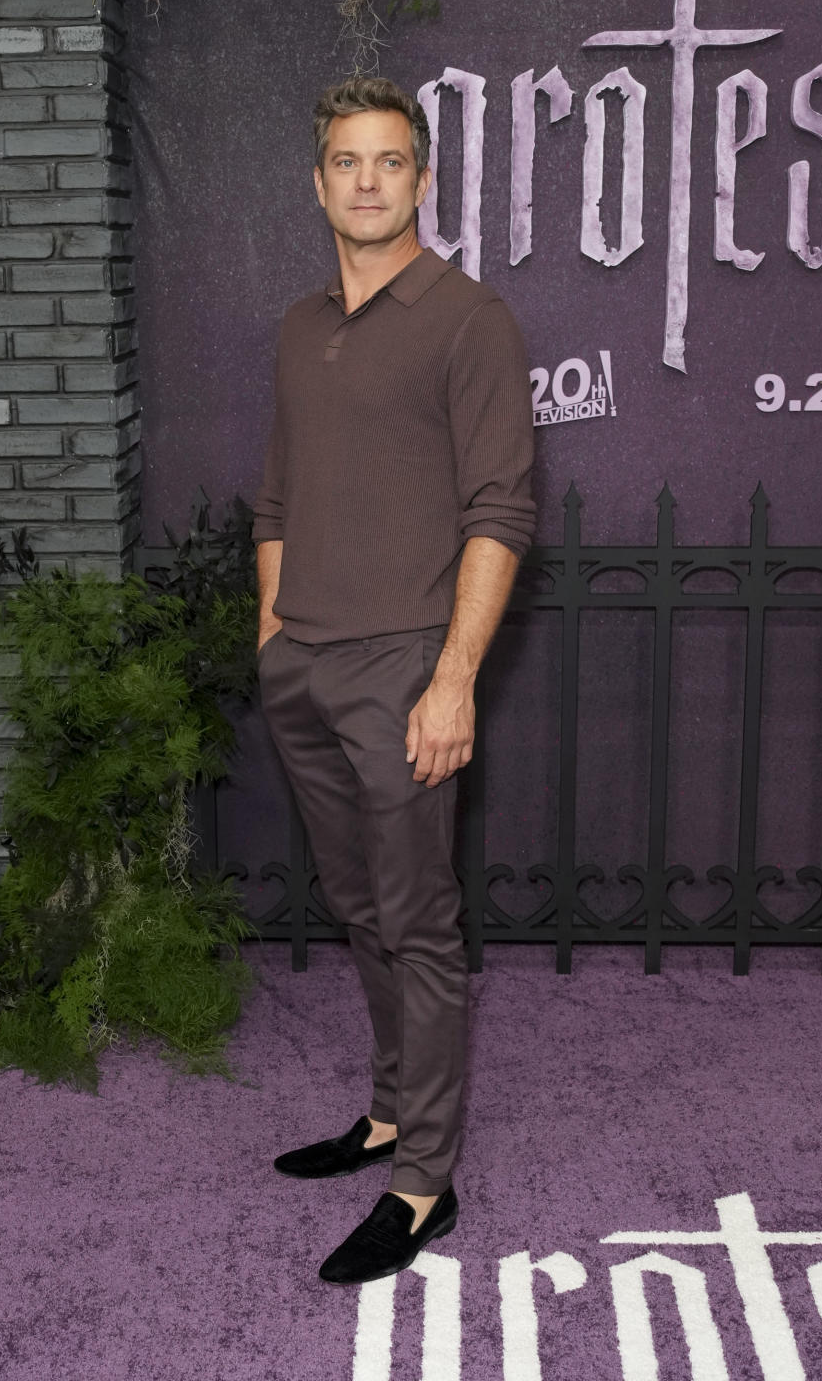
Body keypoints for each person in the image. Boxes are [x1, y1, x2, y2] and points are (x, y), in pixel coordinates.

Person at [251, 75, 536, 1285]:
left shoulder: (471, 318)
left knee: (416, 925)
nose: (367, 181)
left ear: (423, 181)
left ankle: (422, 1181)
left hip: (404, 670)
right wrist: (272, 638)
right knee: (359, 910)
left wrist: (453, 678)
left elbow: (501, 509)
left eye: (389, 162)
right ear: (319, 184)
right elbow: (276, 497)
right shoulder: (296, 326)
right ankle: (383, 1115)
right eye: (346, 162)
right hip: (304, 668)